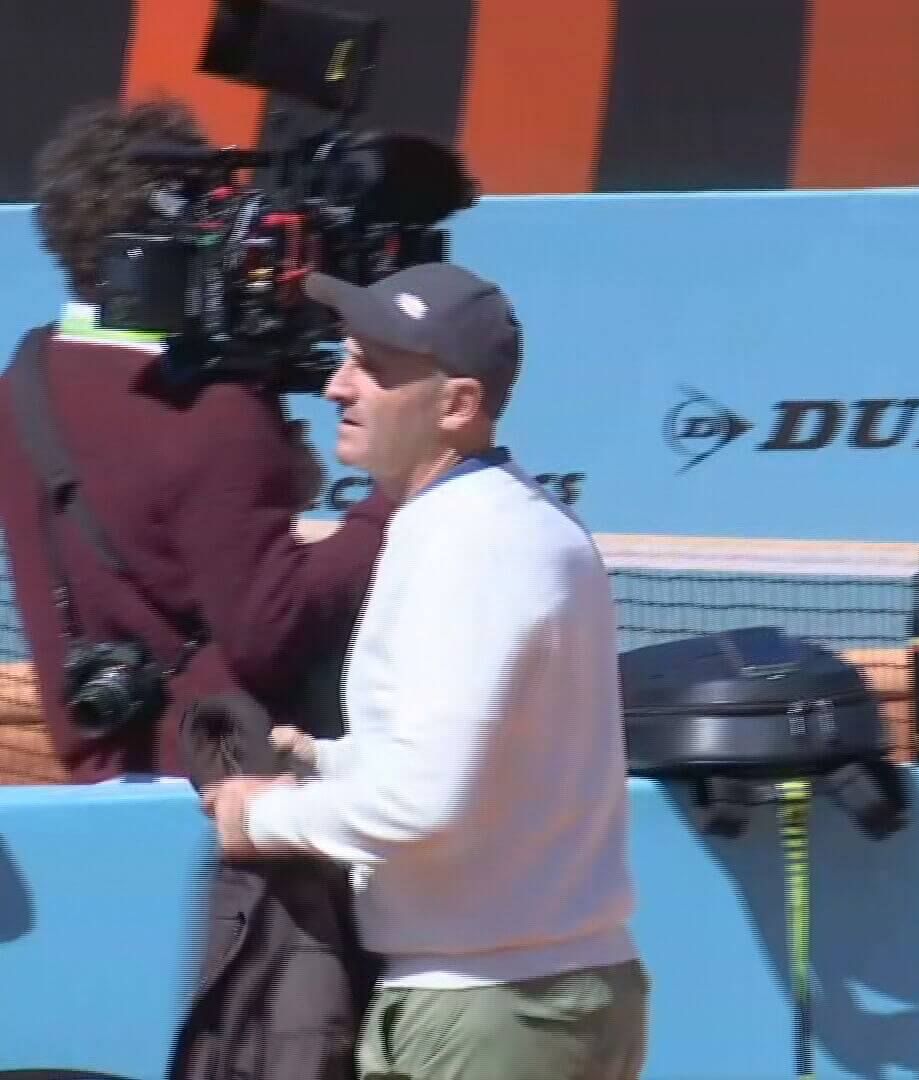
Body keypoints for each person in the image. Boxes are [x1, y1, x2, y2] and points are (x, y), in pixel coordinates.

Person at [199, 262, 649, 1079]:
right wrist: (328, 760)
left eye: (373, 367)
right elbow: (489, 768)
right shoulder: (505, 523)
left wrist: (260, 817)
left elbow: (423, 799)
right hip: (530, 993)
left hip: (490, 1008)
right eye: (345, 359)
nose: (337, 387)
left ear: (457, 405)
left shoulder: (468, 544)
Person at [0, 96, 395, 783]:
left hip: (99, 771)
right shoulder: (216, 411)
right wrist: (394, 505)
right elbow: (270, 631)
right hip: (225, 788)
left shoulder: (25, 378)